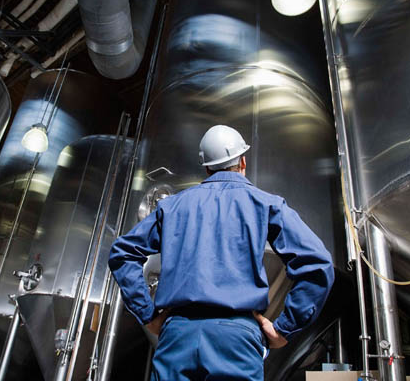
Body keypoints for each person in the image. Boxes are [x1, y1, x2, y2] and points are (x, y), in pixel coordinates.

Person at [109, 125, 335, 381]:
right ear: (243, 162)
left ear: (206, 168)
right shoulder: (267, 204)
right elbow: (317, 263)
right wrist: (285, 329)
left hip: (178, 336)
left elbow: (122, 253)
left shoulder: (172, 206)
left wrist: (148, 315)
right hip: (236, 337)